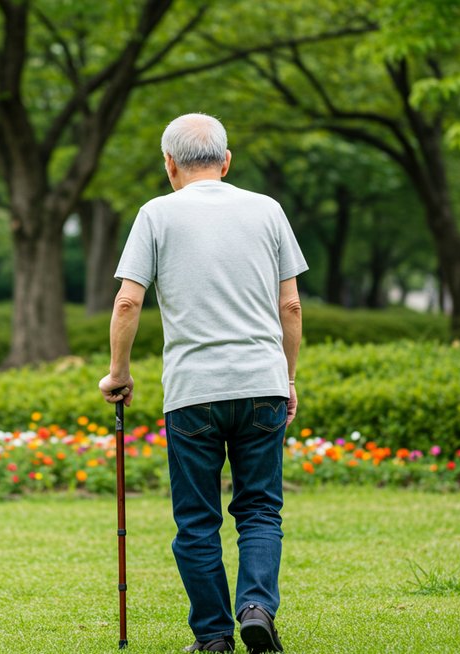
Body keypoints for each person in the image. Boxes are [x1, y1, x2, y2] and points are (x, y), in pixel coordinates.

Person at [98, 113, 307, 653]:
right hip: (261, 383)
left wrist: (119, 373)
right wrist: (286, 378)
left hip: (193, 391)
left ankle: (213, 637)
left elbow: (127, 300)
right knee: (260, 509)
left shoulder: (156, 214)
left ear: (169, 164)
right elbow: (290, 305)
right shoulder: (268, 210)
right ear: (227, 160)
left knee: (196, 519)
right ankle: (257, 607)